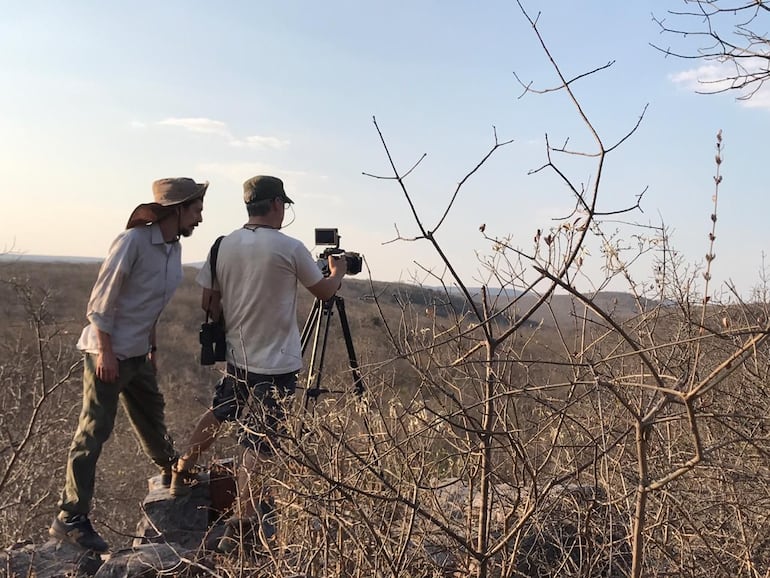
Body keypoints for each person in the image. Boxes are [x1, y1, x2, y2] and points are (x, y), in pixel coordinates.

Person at [170, 175, 345, 551]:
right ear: (278, 205)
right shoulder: (289, 247)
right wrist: (338, 271)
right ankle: (244, 519)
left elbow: (208, 303)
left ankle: (181, 469)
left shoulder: (222, 245)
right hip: (278, 361)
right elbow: (324, 291)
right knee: (260, 438)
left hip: (238, 354)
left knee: (221, 411)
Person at [49, 177, 208, 552]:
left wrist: (151, 348)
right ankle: (70, 517)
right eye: (196, 210)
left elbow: (150, 303)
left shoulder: (173, 250)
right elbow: (100, 303)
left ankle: (173, 473)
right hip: (107, 353)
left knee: (153, 416)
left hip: (137, 352)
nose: (200, 218)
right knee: (94, 431)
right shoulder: (133, 242)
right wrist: (105, 352)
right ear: (177, 209)